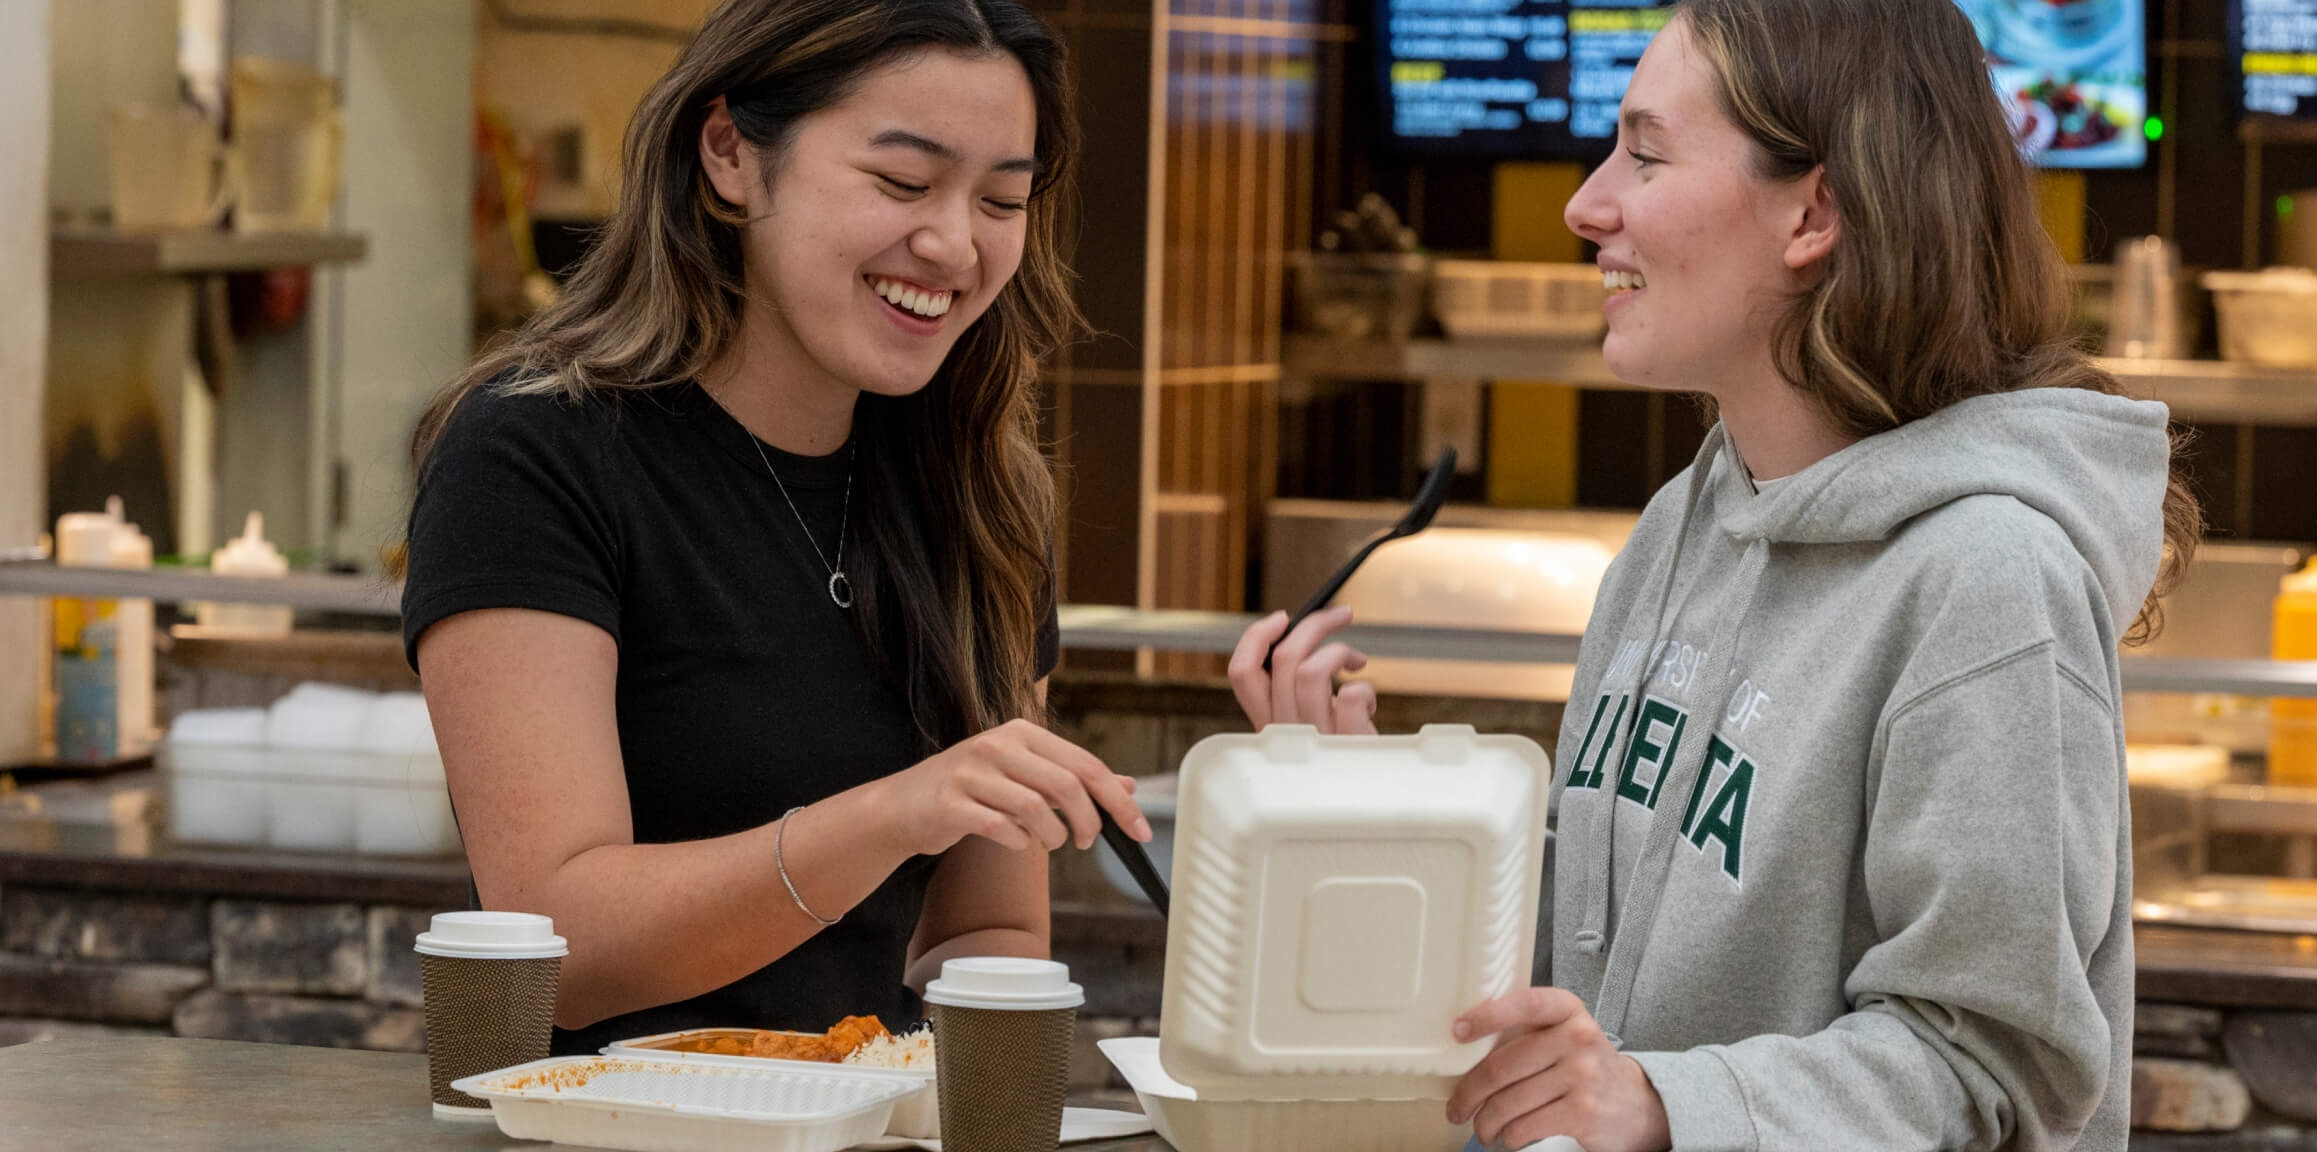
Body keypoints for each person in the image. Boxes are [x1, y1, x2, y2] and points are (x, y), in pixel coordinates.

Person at [1230, 0, 2201, 1145]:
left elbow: (1996, 1070)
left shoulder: (1987, 579)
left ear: (1815, 212)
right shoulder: (1680, 521)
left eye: (1643, 154)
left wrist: (1661, 1104)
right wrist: (1393, 830)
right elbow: (1599, 969)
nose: (1586, 205)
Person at [402, 0, 1148, 1057]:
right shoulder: (531, 455)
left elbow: (985, 927)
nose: (952, 243)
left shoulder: (982, 496)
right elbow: (559, 949)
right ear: (731, 154)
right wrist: (894, 813)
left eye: (1001, 199)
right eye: (900, 182)